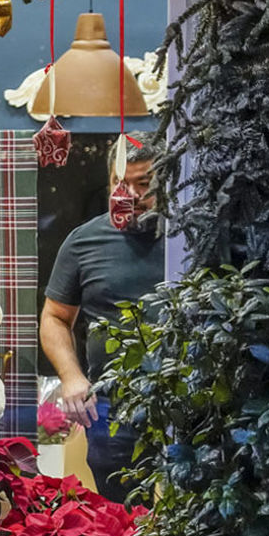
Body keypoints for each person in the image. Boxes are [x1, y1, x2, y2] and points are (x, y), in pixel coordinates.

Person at [40, 133, 163, 503]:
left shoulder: (191, 235)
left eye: (144, 184)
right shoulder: (83, 241)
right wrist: (72, 377)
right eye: (119, 183)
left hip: (190, 400)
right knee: (120, 509)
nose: (130, 195)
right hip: (112, 406)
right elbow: (54, 317)